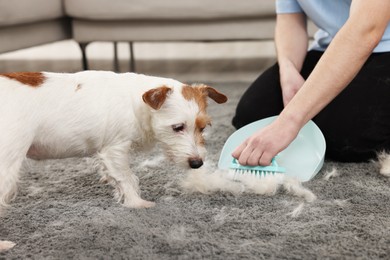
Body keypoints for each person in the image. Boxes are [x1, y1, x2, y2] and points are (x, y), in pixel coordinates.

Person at [232, 0, 390, 166]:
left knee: (347, 139)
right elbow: (290, 19)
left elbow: (367, 29)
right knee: (252, 114)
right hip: (334, 46)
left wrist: (288, 122)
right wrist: (288, 71)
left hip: (381, 45)